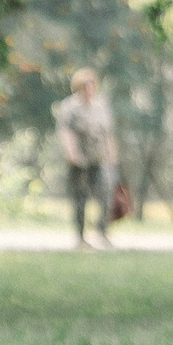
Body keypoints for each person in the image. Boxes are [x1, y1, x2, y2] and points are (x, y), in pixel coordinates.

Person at [53, 68, 118, 249]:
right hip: (80, 159)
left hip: (99, 158)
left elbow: (108, 132)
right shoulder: (70, 107)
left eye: (91, 84)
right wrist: (71, 153)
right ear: (78, 87)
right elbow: (66, 132)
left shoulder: (101, 105)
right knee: (80, 198)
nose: (89, 88)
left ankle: (102, 232)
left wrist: (112, 153)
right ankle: (80, 236)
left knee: (106, 193)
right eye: (84, 85)